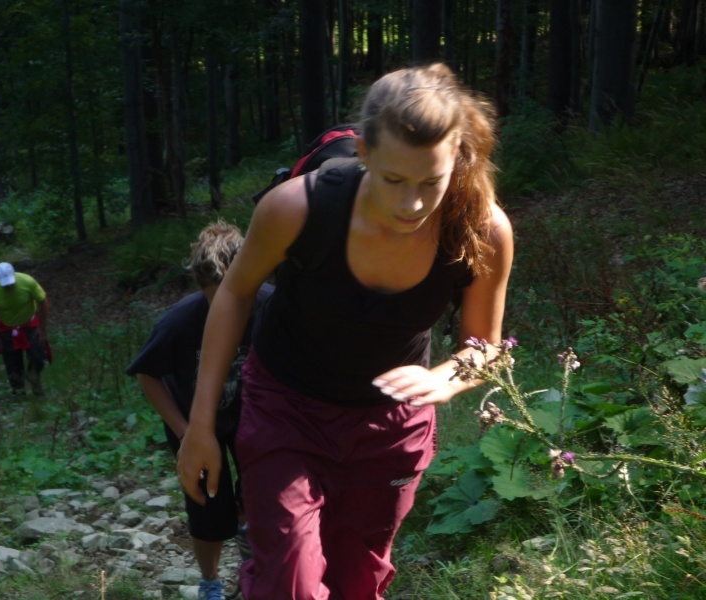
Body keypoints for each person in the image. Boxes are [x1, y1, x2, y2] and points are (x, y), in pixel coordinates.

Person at [177, 63, 514, 599]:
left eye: (431, 182)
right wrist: (200, 426)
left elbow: (484, 347)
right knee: (290, 582)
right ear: (363, 153)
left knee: (358, 581)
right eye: (394, 180)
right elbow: (234, 295)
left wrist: (445, 379)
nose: (412, 204)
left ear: (458, 158)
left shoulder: (482, 229)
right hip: (285, 412)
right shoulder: (297, 208)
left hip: (390, 428)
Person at [126, 220, 274, 600]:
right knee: (206, 505)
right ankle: (210, 580)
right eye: (214, 300)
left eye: (235, 297)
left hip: (255, 420)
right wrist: (185, 431)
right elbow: (147, 374)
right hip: (193, 423)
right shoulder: (179, 321)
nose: (225, 309)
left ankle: (253, 561)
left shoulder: (272, 307)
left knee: (261, 494)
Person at [0, 262, 49, 396]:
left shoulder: (27, 282)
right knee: (12, 362)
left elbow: (43, 301)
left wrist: (42, 328)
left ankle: (34, 378)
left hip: (30, 323)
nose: (9, 286)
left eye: (11, 283)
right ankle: (18, 390)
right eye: (5, 284)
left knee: (38, 356)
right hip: (7, 326)